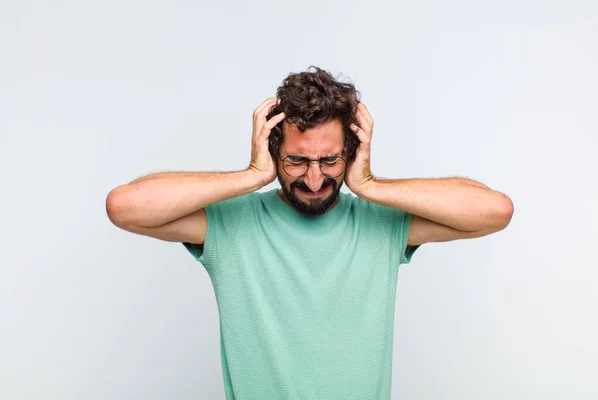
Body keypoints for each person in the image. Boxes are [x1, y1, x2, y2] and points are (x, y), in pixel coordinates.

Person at [106, 66, 514, 400]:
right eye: (297, 160)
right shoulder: (232, 224)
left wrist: (370, 185)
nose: (316, 179)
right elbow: (126, 206)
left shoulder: (381, 222)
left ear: (351, 152)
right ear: (272, 152)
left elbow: (494, 211)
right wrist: (251, 176)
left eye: (330, 159)